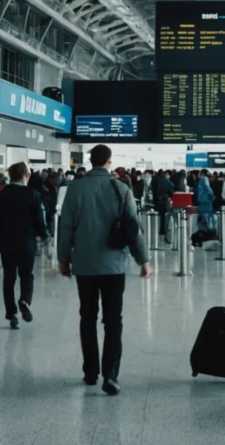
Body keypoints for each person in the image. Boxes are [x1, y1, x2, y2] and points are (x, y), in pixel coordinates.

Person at [58, 145, 150, 396]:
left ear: (89, 160)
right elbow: (134, 228)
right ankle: (111, 374)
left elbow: (65, 226)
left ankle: (90, 371)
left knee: (87, 316)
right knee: (113, 320)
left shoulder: (75, 188)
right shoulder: (121, 189)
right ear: (109, 162)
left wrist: (63, 259)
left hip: (85, 264)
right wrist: (143, 259)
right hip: (113, 264)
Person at [0, 163, 48, 329]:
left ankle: (11, 313)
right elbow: (39, 219)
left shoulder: (1, 195)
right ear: (26, 175)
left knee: (9, 277)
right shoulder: (33, 194)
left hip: (7, 243)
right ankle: (24, 300)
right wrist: (43, 235)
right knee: (27, 275)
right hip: (27, 243)